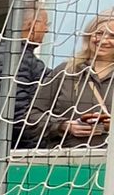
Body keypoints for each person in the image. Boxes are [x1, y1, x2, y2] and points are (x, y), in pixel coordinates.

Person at [19, 8, 114, 150]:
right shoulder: (66, 71)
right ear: (89, 35)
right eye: (99, 33)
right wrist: (64, 126)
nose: (103, 40)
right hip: (65, 160)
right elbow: (31, 117)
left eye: (112, 36)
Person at [0, 5, 49, 149]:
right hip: (19, 147)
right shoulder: (13, 58)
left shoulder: (22, 56)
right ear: (32, 25)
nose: (47, 29)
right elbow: (16, 114)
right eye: (46, 24)